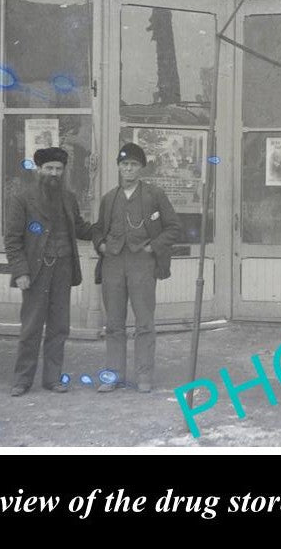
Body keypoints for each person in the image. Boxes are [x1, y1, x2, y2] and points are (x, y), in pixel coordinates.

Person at [92, 142, 183, 394]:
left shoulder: (155, 195)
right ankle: (113, 375)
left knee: (144, 322)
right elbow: (99, 228)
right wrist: (100, 245)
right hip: (112, 263)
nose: (128, 169)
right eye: (124, 165)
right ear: (119, 168)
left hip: (142, 264)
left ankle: (144, 375)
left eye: (133, 164)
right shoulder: (109, 198)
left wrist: (153, 247)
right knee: (113, 323)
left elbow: (174, 227)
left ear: (141, 168)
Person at [4, 146, 94, 397]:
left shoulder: (68, 198)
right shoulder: (22, 199)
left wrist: (106, 228)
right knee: (31, 327)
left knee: (59, 327)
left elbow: (80, 229)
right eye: (49, 168)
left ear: (63, 171)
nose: (54, 173)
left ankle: (52, 379)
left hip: (63, 269)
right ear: (39, 169)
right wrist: (20, 271)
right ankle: (22, 380)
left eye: (58, 169)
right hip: (35, 272)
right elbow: (12, 240)